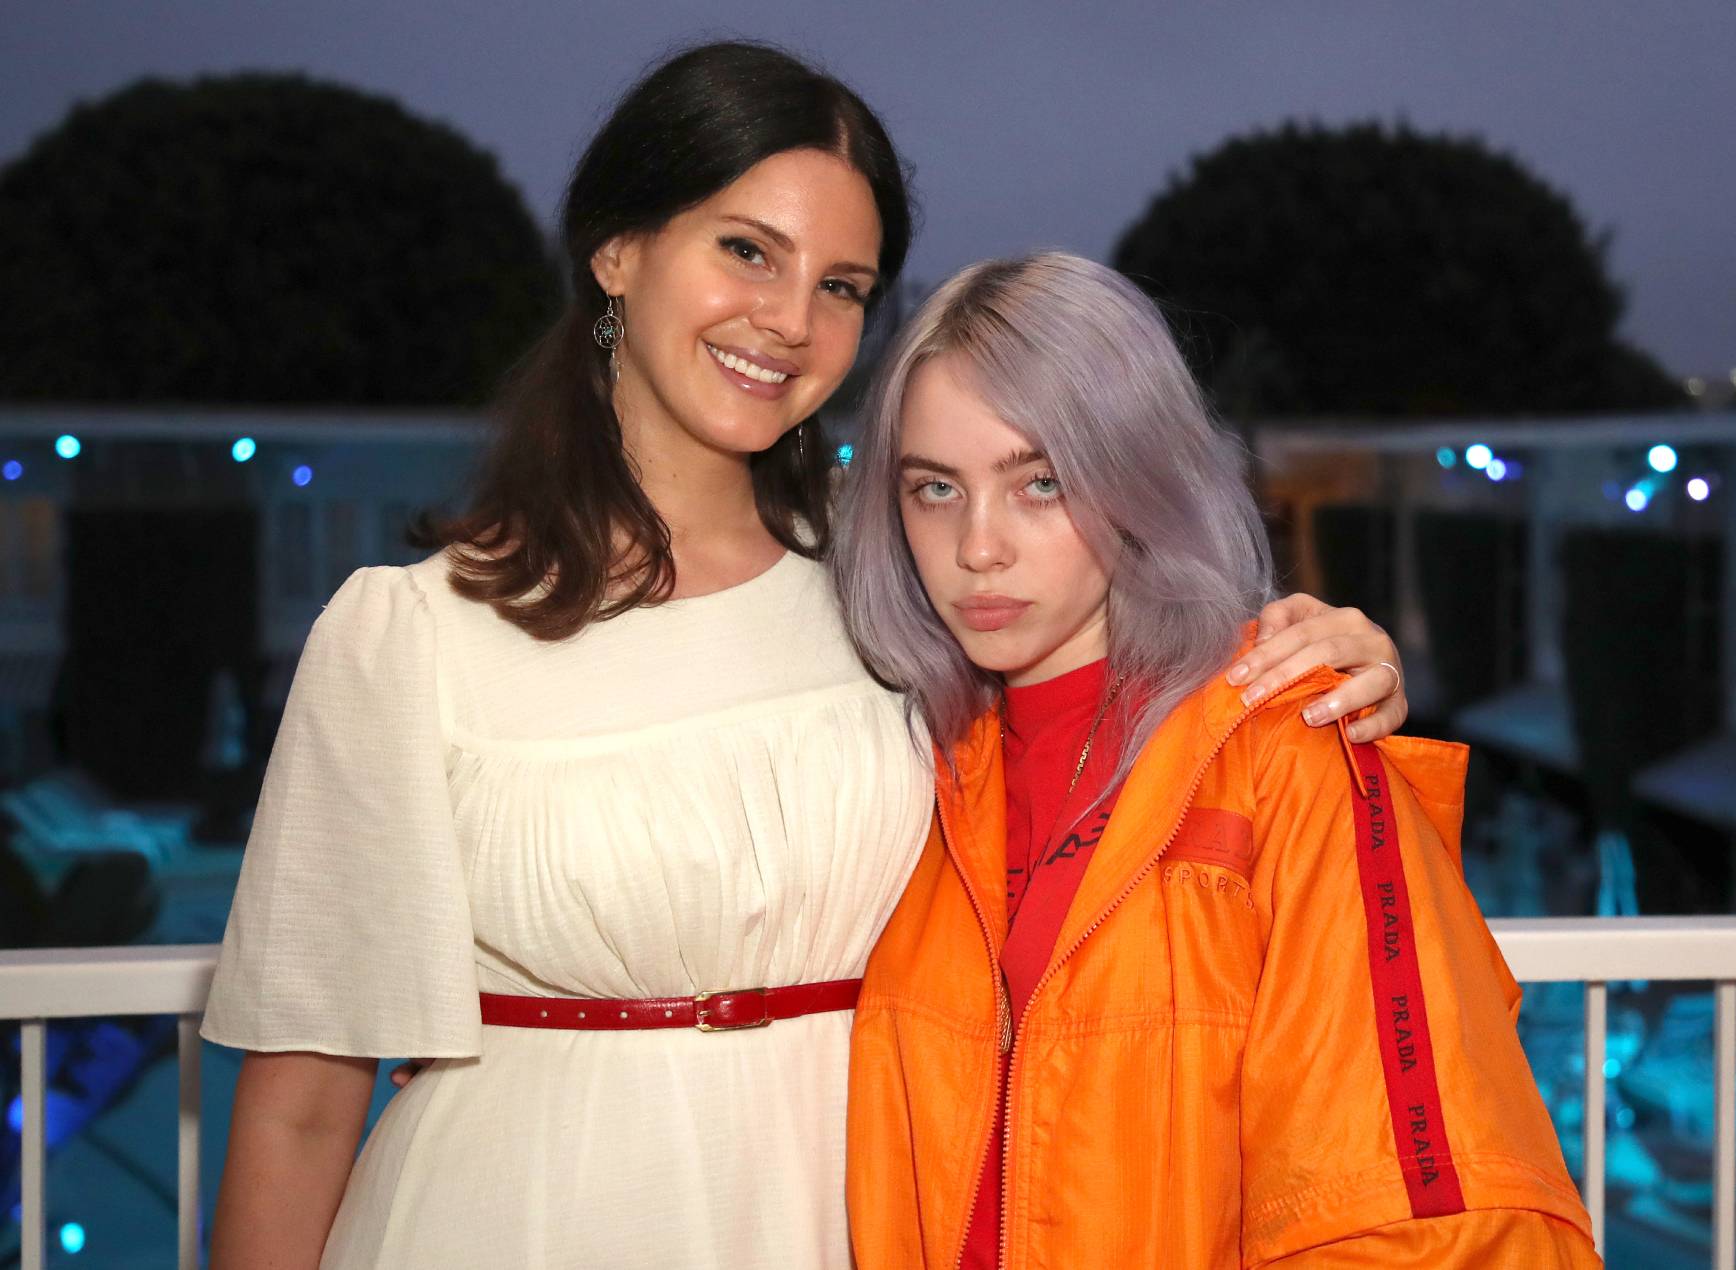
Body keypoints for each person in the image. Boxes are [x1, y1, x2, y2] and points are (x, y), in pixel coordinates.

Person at [201, 44, 1409, 1269]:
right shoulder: (409, 633)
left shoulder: (901, 581)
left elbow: (1109, 688)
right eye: (746, 249)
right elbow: (301, 1104)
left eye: (842, 285)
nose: (788, 320)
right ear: (616, 250)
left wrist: (1309, 645)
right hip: (512, 1214)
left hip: (844, 1219)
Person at [835, 252, 1597, 1267]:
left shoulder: (1285, 750)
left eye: (1040, 483)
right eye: (935, 488)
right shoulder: (899, 767)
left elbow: (1418, 1221)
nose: (978, 546)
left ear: (1134, 478)